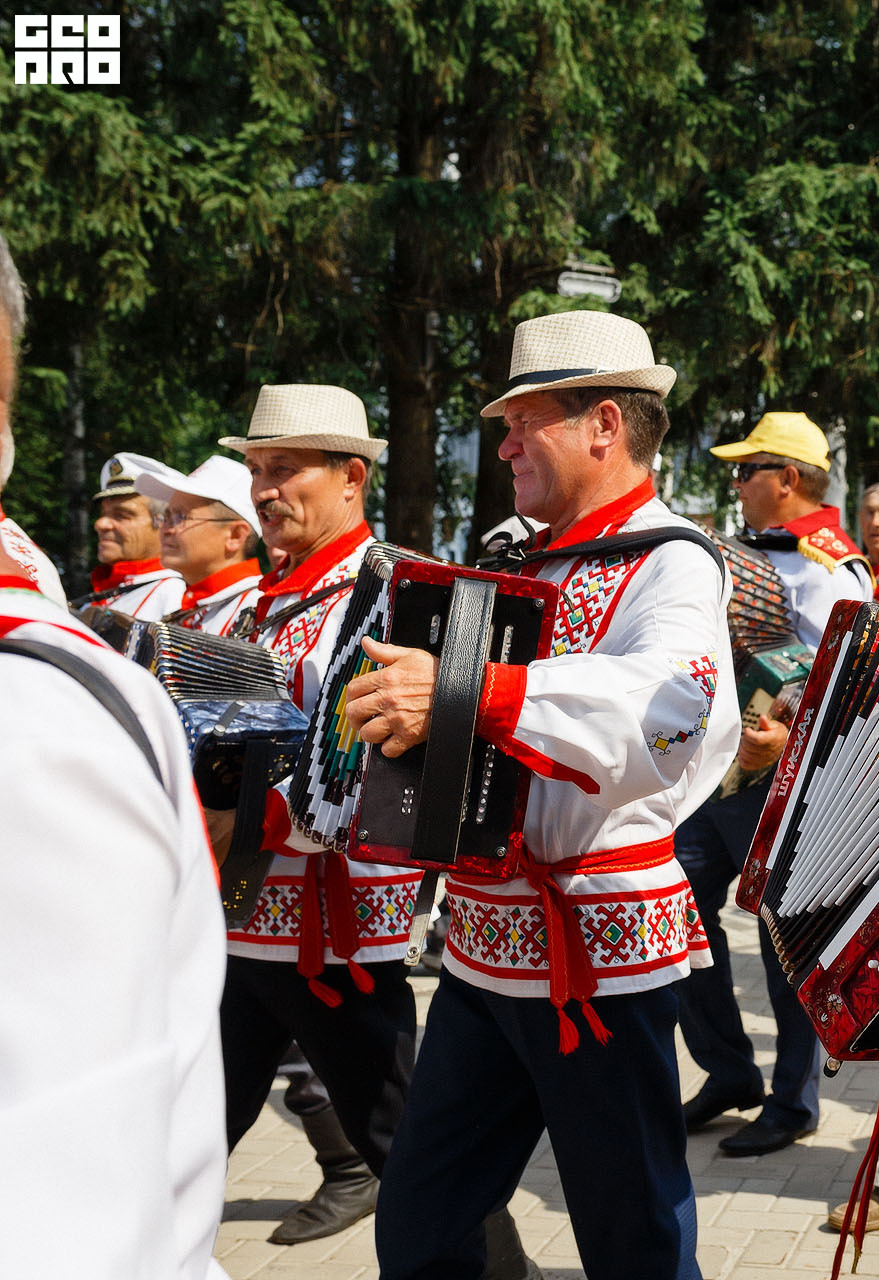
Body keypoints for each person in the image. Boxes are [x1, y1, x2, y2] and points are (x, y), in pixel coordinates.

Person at [356, 310, 736, 1279]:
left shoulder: (673, 560)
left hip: (600, 950)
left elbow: (671, 716)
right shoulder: (514, 554)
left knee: (635, 1244)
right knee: (419, 1225)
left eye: (524, 421)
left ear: (604, 424)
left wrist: (464, 692)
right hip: (485, 941)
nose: (504, 444)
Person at [0, 228, 227, 1279]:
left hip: (302, 881)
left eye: (172, 515)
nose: (151, 528)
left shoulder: (51, 696)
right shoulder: (99, 621)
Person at [216, 384, 419, 1247]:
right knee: (186, 1133)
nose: (264, 489)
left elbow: (385, 762)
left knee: (409, 1155)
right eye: (257, 469)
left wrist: (244, 810)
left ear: (351, 478)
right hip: (242, 913)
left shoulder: (392, 593)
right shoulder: (251, 603)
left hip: (335, 931)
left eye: (285, 469)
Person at [679, 410, 872, 1156]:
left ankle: (794, 1101)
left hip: (786, 779)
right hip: (722, 773)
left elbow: (846, 679)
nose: (735, 484)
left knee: (783, 940)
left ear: (787, 479)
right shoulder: (735, 551)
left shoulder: (831, 566)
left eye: (745, 471)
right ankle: (728, 1070)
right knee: (676, 907)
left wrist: (789, 738)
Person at [133, 455, 264, 635]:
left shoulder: (260, 610)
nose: (166, 529)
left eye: (181, 517)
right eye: (167, 516)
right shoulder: (190, 607)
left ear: (235, 535)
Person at [85, 452, 186, 618]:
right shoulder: (101, 595)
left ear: (164, 523)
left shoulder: (174, 596)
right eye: (103, 514)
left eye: (121, 515)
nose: (100, 524)